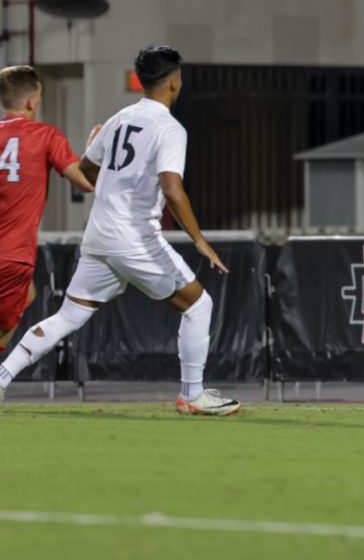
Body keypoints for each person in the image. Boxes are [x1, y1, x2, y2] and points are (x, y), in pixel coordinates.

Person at [0, 46, 239, 415]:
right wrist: (200, 240)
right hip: (134, 238)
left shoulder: (119, 118)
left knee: (67, 317)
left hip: (97, 237)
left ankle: (1, 377)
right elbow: (173, 189)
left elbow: (87, 171)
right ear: (175, 82)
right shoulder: (169, 127)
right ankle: (192, 395)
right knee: (198, 304)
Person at [0, 65, 94, 357]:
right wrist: (94, 150)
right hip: (13, 255)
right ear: (31, 101)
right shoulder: (45, 135)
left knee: (28, 294)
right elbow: (85, 183)